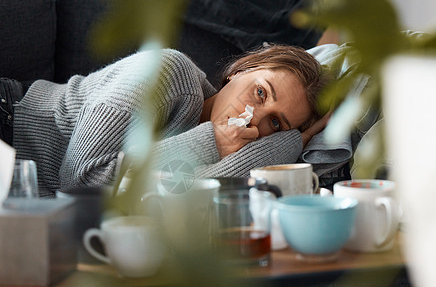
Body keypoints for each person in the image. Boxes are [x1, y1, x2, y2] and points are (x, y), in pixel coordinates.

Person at [0, 44, 330, 197]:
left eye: (275, 123)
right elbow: (80, 182)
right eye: (260, 93)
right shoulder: (168, 72)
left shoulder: (228, 146)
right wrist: (209, 141)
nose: (255, 119)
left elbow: (187, 195)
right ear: (242, 69)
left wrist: (290, 142)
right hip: (10, 122)